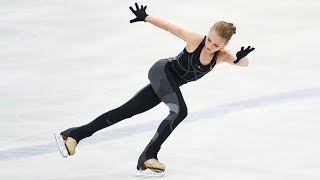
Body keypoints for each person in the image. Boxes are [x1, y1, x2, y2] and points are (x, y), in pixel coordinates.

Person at [57, 3, 255, 172]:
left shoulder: (222, 56)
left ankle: (74, 135)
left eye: (216, 45)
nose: (210, 45)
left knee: (126, 111)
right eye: (210, 39)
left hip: (169, 84)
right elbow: (171, 28)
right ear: (208, 33)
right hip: (162, 72)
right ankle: (148, 156)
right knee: (180, 111)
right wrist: (145, 17)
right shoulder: (196, 40)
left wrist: (240, 57)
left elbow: (242, 64)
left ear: (225, 45)